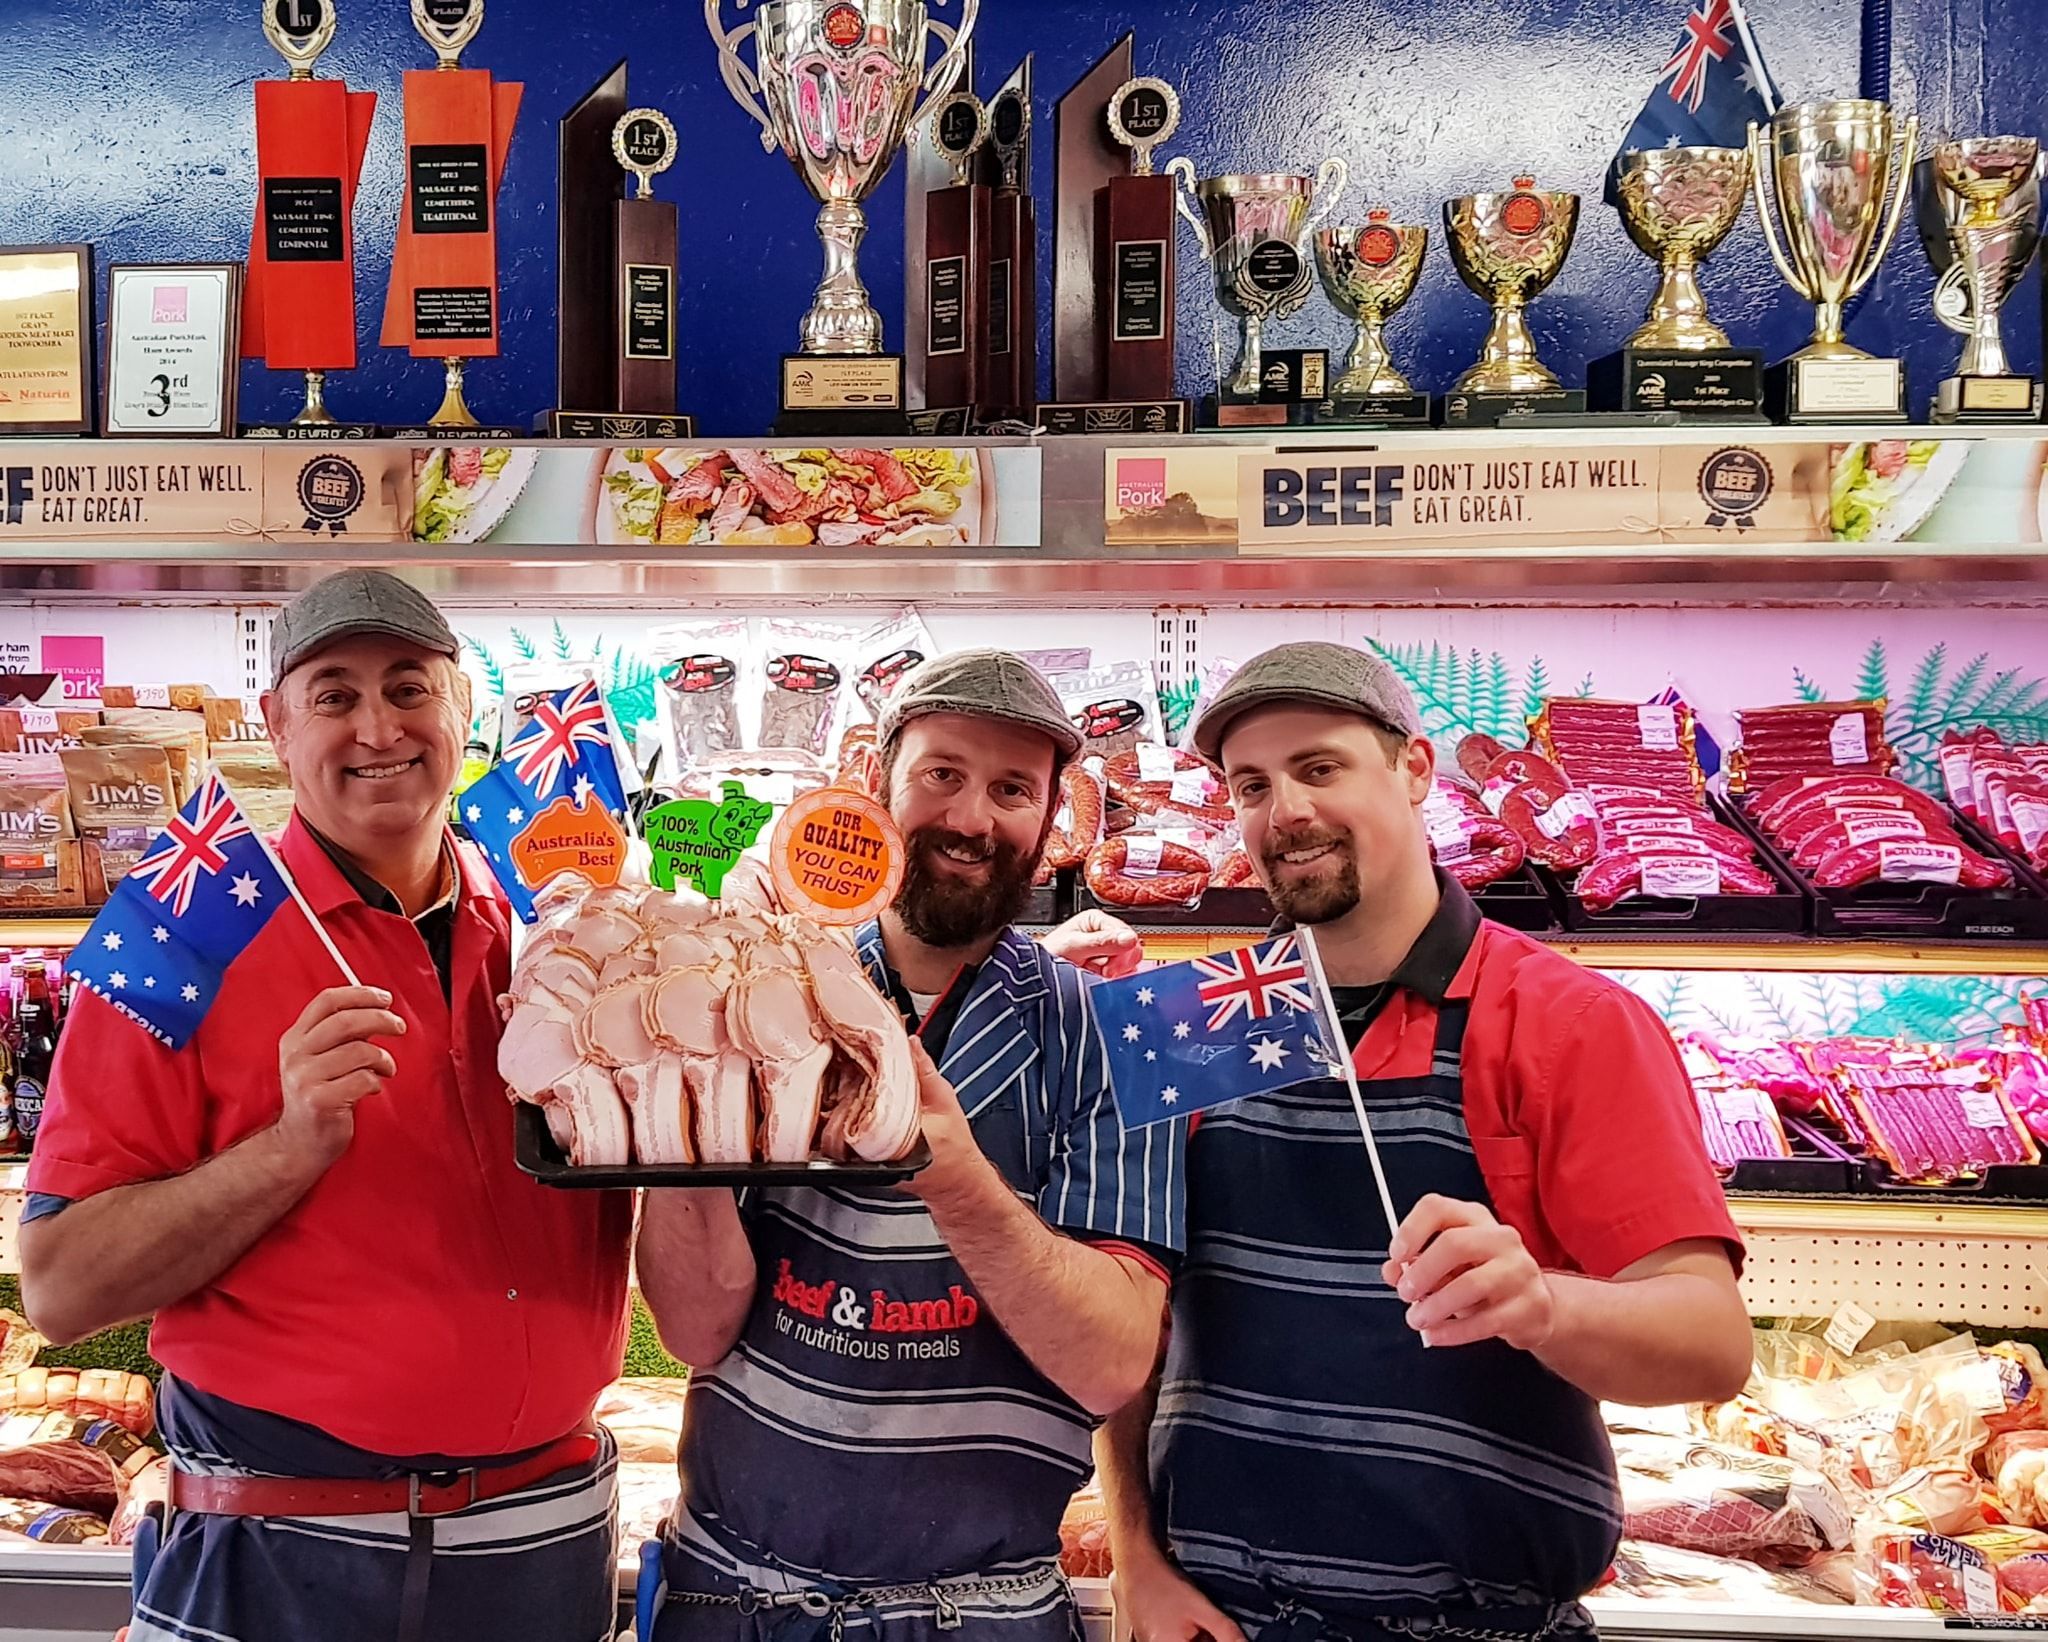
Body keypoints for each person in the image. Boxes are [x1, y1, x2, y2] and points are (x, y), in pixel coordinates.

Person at [19, 571, 631, 1642]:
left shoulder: (559, 930)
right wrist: (287, 1147)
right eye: (335, 695)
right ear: (277, 724)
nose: (377, 726)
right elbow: (64, 1290)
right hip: (279, 1548)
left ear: (463, 710)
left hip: (543, 1534)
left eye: (407, 688)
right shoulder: (180, 937)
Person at [1098, 642, 1752, 1642]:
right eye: (1251, 786)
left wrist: (1540, 1303)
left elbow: (1710, 1344)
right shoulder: (1202, 1019)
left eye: (1319, 768)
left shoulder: (1568, 1020)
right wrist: (1135, 1554)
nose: (1287, 812)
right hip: (1217, 1620)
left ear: (1411, 771)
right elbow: (1129, 1330)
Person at [637, 649, 1185, 1642]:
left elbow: (1110, 1362)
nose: (971, 817)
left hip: (982, 1612)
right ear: (872, 785)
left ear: (1050, 819)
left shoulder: (1112, 1034)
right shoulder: (764, 994)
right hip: (732, 1597)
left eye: (1011, 788)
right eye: (941, 774)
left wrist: (955, 1175)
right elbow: (693, 1330)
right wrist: (691, 1109)